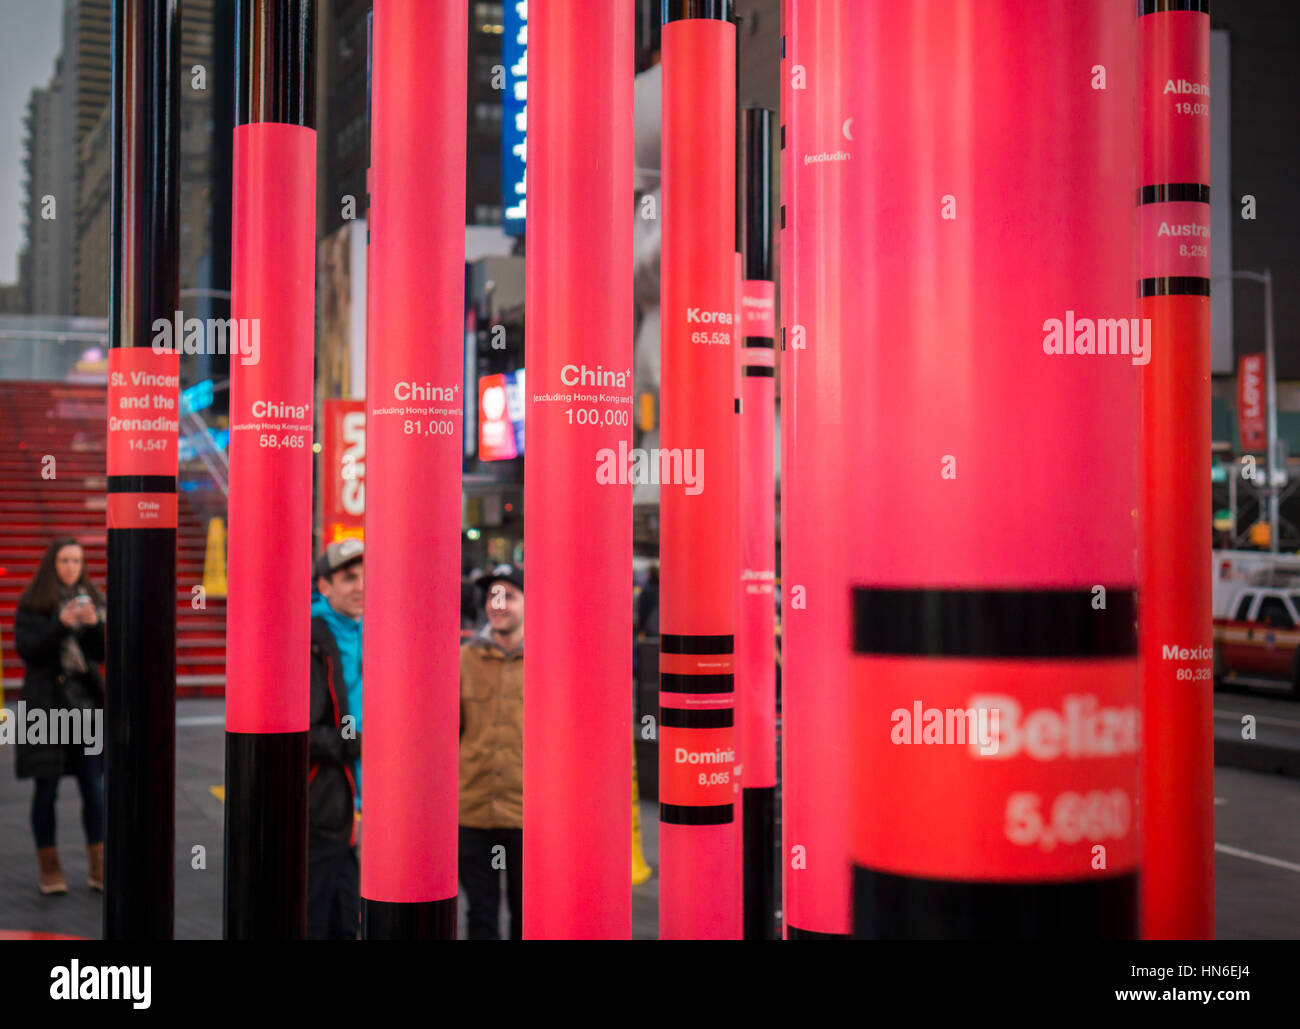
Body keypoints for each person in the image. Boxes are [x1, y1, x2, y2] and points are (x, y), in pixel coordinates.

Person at [13, 537, 106, 895]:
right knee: (46, 789)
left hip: (83, 706)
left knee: (94, 789)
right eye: (65, 560)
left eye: (77, 560)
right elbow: (29, 651)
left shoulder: (92, 599)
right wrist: (62, 623)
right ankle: (49, 868)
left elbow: (100, 653)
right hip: (45, 708)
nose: (72, 567)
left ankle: (98, 866)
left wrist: (95, 623)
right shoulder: (34, 603)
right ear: (53, 564)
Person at [458, 563, 524, 940]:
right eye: (492, 596)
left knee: (526, 916)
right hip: (473, 812)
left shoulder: (550, 663)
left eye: (509, 596)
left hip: (526, 815)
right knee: (480, 914)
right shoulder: (464, 660)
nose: (498, 605)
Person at [308, 539, 364, 939]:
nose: (361, 585)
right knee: (318, 916)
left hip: (365, 803)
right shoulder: (309, 638)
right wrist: (359, 742)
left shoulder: (373, 629)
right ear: (324, 586)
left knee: (349, 917)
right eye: (349, 578)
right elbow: (301, 733)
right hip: (325, 804)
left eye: (365, 576)